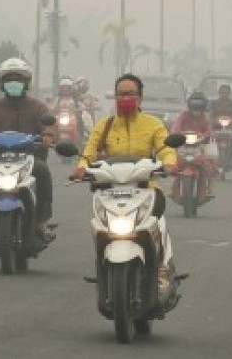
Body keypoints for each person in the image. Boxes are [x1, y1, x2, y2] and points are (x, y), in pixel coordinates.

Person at [72, 73, 179, 301]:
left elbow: (165, 149)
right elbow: (88, 152)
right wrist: (81, 167)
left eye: (131, 94)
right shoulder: (105, 126)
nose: (126, 98)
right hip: (109, 191)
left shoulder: (153, 124)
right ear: (115, 97)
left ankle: (161, 271)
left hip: (146, 189)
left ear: (140, 97)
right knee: (101, 227)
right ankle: (103, 268)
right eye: (121, 94)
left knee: (157, 221)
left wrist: (169, 162)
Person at [0, 58, 56, 246]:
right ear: (2, 84)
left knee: (43, 172)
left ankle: (40, 221)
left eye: (18, 79)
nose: (14, 83)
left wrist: (48, 136)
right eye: (9, 79)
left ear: (26, 83)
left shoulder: (38, 107)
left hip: (30, 159)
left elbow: (49, 127)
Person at [171, 91, 217, 197]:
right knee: (172, 160)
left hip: (202, 144)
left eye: (199, 109)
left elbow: (210, 130)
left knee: (211, 159)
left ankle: (209, 186)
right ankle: (174, 185)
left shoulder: (206, 117)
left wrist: (207, 136)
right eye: (194, 108)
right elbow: (176, 127)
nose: (196, 112)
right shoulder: (183, 114)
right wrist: (175, 134)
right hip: (184, 144)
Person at [209, 84, 232, 167]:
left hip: (231, 127)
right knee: (208, 138)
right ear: (219, 93)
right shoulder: (213, 103)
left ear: (229, 93)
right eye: (222, 92)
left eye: (226, 92)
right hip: (216, 127)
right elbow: (209, 115)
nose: (224, 94)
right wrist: (212, 121)